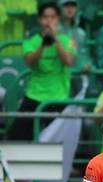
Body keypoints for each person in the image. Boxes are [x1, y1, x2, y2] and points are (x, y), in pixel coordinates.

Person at [7, 2, 75, 140]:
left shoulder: (68, 41)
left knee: (58, 141)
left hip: (59, 96)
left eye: (53, 17)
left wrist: (56, 40)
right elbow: (30, 61)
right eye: (45, 17)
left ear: (58, 19)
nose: (49, 21)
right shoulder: (31, 42)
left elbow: (69, 61)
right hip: (34, 94)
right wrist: (43, 44)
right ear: (39, 20)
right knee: (16, 137)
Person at [58, 0, 91, 71]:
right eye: (66, 5)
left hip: (77, 74)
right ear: (60, 8)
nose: (70, 9)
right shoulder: (54, 31)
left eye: (73, 6)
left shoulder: (81, 33)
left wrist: (86, 64)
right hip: (58, 74)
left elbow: (83, 54)